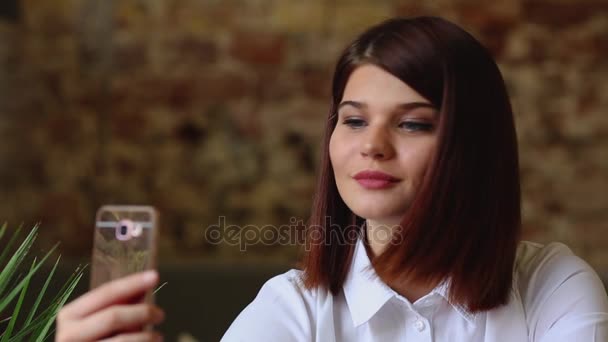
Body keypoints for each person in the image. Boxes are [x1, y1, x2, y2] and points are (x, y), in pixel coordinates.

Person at [55, 16, 608, 341]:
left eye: (413, 123)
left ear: (474, 145)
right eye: (354, 119)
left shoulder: (551, 286)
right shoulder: (293, 307)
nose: (372, 144)